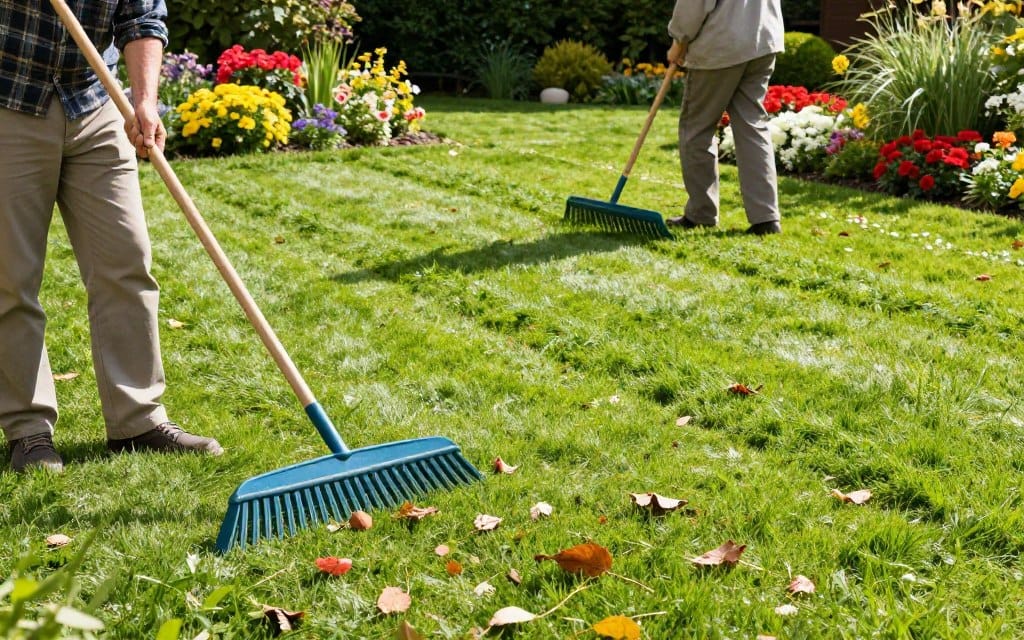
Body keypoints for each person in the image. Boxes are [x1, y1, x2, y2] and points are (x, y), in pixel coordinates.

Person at [0, 0, 222, 473]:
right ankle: (27, 431)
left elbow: (141, 17)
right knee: (10, 277)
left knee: (126, 260)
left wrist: (143, 100)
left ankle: (137, 420)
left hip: (93, 102)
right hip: (9, 102)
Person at [666, 0, 785, 235]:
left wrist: (679, 38)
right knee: (753, 127)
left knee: (696, 128)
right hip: (763, 38)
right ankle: (766, 218)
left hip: (722, 43)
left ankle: (701, 213)